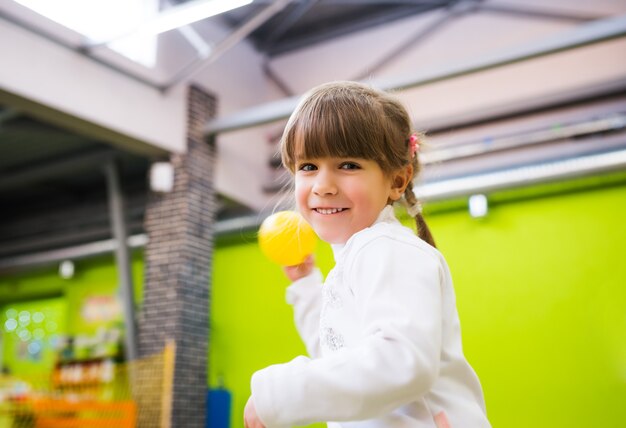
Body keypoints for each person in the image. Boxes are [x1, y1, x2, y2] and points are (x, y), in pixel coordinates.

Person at [244, 81, 490, 428]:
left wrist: (280, 393)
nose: (323, 185)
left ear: (397, 181)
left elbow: (402, 361)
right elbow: (338, 352)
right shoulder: (359, 257)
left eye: (347, 165)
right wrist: (305, 287)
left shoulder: (386, 249)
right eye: (308, 166)